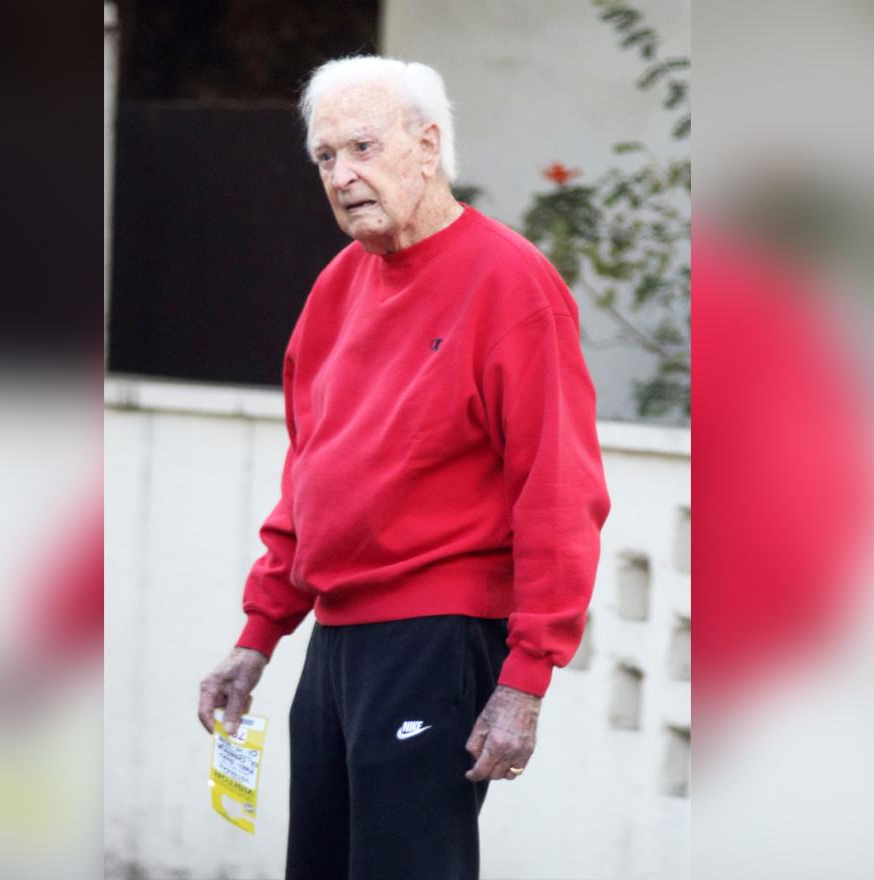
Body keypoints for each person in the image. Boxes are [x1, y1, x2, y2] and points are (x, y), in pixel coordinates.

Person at [196, 55, 610, 880]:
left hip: (439, 634)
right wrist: (257, 636)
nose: (342, 175)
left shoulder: (510, 282)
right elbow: (309, 480)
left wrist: (525, 680)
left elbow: (559, 494)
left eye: (361, 147)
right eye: (324, 157)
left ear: (427, 146)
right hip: (338, 639)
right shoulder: (336, 287)